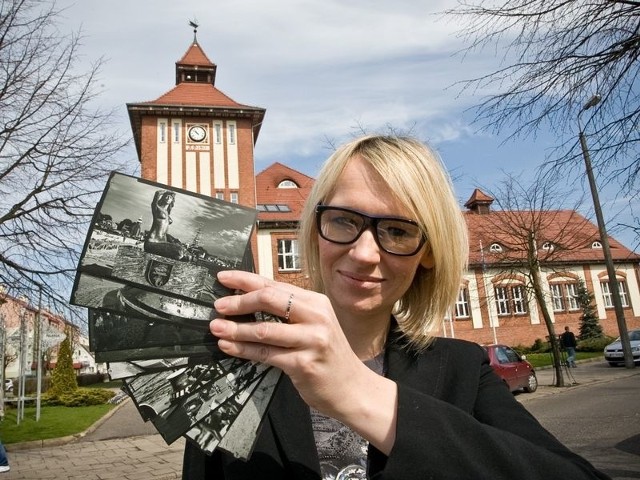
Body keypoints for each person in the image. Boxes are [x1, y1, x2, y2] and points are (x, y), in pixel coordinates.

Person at [182, 135, 610, 479]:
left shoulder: (463, 369)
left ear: (427, 252)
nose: (366, 253)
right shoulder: (235, 374)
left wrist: (358, 392)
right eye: (344, 221)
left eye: (398, 230)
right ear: (315, 230)